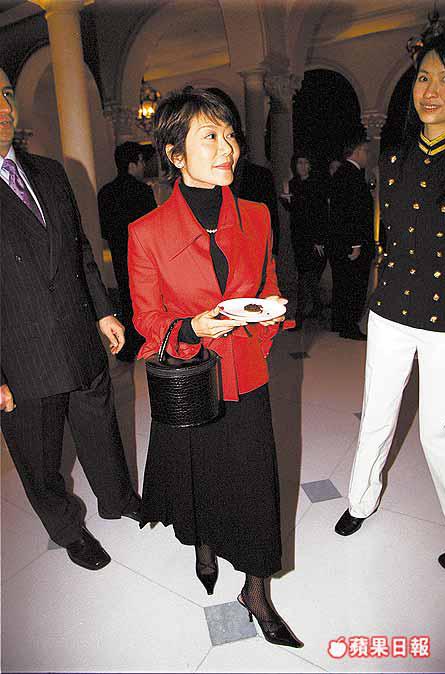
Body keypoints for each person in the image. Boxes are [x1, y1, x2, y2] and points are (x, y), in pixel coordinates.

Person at [128, 87, 303, 648]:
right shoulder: (146, 234)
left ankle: (256, 591)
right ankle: (203, 546)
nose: (227, 147)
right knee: (201, 476)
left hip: (247, 371)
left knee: (256, 483)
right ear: (175, 153)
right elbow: (147, 319)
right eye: (210, 136)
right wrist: (192, 329)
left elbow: (269, 284)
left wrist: (268, 317)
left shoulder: (257, 215)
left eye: (229, 135)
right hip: (191, 377)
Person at [0, 68, 141, 571]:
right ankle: (67, 529)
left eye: (6, 94)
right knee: (40, 458)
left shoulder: (50, 172)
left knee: (100, 426)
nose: (4, 107)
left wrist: (104, 311)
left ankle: (119, 499)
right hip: (20, 355)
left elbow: (80, 248)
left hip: (78, 333)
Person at [334, 31, 445, 570]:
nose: (432, 90)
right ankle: (361, 501)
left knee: (437, 431)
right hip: (392, 311)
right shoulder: (396, 156)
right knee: (377, 414)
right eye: (424, 77)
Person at [98, 141, 157, 362]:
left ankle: (128, 345)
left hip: (119, 254)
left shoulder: (105, 193)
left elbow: (104, 230)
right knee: (145, 298)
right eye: (142, 162)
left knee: (125, 296)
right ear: (135, 163)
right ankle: (147, 342)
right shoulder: (142, 191)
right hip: (143, 256)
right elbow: (153, 228)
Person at [206, 87, 280, 255]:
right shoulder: (212, 177)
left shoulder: (260, 175)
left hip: (254, 246)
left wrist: (273, 251)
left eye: (230, 137)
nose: (226, 149)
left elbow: (271, 217)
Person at [328, 134, 375, 339]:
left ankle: (339, 322)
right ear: (357, 151)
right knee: (353, 285)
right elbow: (351, 212)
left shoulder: (341, 173)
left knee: (342, 284)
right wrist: (356, 244)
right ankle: (349, 326)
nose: (368, 156)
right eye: (366, 151)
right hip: (352, 243)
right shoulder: (351, 175)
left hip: (341, 242)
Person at [280, 154, 328, 326]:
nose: (302, 166)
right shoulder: (293, 183)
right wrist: (285, 193)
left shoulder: (316, 184)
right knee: (307, 275)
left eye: (305, 162)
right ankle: (317, 308)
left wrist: (319, 239)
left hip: (313, 236)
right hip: (299, 235)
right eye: (299, 163)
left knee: (306, 275)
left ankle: (300, 316)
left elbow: (320, 213)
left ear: (310, 165)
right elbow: (292, 209)